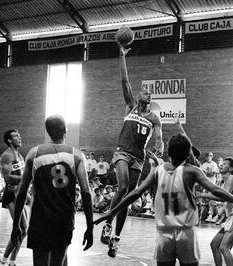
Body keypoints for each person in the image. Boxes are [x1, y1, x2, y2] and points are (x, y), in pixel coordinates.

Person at [94, 133, 233, 266]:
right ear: (188, 153)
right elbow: (216, 189)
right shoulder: (192, 171)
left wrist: (112, 212)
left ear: (169, 152)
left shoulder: (157, 171)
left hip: (163, 234)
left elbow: (134, 193)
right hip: (186, 234)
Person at [100, 43, 164, 257]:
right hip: (122, 152)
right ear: (138, 96)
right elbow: (124, 80)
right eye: (146, 93)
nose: (149, 95)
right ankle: (107, 223)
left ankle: (116, 239)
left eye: (150, 94)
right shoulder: (130, 106)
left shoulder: (154, 117)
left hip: (138, 157)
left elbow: (159, 135)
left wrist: (160, 144)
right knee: (123, 186)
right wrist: (122, 55)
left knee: (129, 197)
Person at [10, 115, 93, 266]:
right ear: (65, 130)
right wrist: (90, 227)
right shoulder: (77, 155)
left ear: (47, 131)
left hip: (40, 219)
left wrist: (15, 226)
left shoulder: (34, 153)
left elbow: (21, 192)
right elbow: (86, 193)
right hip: (64, 219)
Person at [201, 158, 233, 266]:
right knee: (214, 245)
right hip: (232, 217)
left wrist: (203, 195)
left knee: (224, 248)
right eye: (222, 163)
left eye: (224, 164)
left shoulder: (232, 178)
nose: (221, 165)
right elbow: (221, 196)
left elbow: (224, 196)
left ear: (231, 168)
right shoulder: (224, 181)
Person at [0, 129, 28, 266]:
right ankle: (3, 260)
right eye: (16, 136)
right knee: (19, 229)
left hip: (20, 193)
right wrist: (27, 179)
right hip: (11, 195)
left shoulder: (19, 155)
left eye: (19, 135)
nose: (20, 137)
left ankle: (11, 261)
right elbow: (8, 177)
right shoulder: (7, 155)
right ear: (9, 140)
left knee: (24, 229)